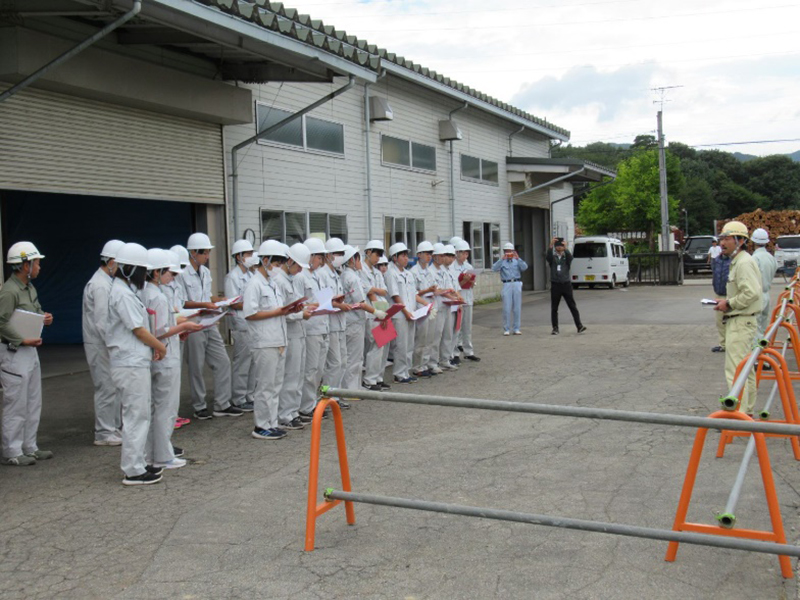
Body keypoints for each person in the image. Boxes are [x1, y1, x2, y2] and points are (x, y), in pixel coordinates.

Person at [107, 243, 167, 485]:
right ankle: (133, 469)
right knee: (136, 416)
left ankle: (138, 463)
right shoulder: (121, 293)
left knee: (139, 414)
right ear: (130, 269)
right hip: (129, 364)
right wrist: (159, 346)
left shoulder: (126, 291)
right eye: (142, 269)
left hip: (133, 361)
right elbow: (139, 330)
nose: (145, 275)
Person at [143, 249, 203, 470]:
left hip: (158, 354)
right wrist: (184, 326)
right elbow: (159, 330)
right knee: (166, 409)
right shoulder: (157, 295)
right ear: (157, 272)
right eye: (170, 272)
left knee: (156, 408)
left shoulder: (147, 292)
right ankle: (162, 454)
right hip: (165, 355)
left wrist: (178, 328)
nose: (173, 277)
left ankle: (154, 452)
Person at [0, 242, 54, 467]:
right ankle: (11, 450)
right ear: (25, 265)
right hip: (14, 352)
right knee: (16, 403)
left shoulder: (29, 287)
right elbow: (1, 321)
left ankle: (29, 446)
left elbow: (33, 310)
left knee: (32, 401)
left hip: (29, 350)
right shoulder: (9, 291)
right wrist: (21, 339)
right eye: (37, 263)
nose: (39, 267)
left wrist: (44, 317)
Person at [179, 233, 241, 420]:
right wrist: (205, 305)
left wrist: (220, 301)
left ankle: (223, 404)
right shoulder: (181, 273)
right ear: (193, 253)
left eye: (207, 252)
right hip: (192, 322)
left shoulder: (205, 272)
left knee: (222, 361)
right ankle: (199, 405)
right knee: (196, 366)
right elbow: (182, 302)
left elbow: (207, 296)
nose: (207, 256)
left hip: (209, 321)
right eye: (204, 253)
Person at [244, 241, 299, 440]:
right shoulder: (254, 283)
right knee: (265, 385)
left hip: (278, 339)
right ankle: (261, 425)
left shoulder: (272, 283)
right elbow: (250, 313)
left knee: (276, 384)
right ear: (265, 260)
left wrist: (288, 310)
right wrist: (278, 311)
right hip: (264, 341)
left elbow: (278, 311)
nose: (278, 268)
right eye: (276, 263)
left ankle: (272, 423)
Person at [713, 221, 762, 416]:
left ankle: (737, 415)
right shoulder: (739, 261)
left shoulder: (744, 262)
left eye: (727, 238)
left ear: (740, 241)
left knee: (735, 370)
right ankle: (745, 411)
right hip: (741, 320)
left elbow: (751, 293)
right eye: (721, 238)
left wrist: (729, 304)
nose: (722, 242)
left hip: (741, 321)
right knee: (745, 369)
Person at [83, 239, 125, 446]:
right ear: (110, 261)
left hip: (106, 343)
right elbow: (101, 321)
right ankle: (103, 432)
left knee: (114, 386)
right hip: (100, 344)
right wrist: (115, 343)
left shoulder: (108, 281)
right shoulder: (100, 285)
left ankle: (114, 427)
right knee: (106, 387)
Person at [274, 243, 313, 430]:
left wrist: (306, 308)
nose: (299, 271)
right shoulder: (279, 281)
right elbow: (282, 311)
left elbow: (294, 304)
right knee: (290, 374)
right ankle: (285, 414)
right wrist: (300, 314)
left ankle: (293, 411)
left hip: (299, 331)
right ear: (289, 261)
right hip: (289, 333)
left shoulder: (289, 279)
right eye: (298, 266)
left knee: (298, 374)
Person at [298, 237, 330, 420]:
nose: (321, 260)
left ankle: (313, 402)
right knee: (309, 370)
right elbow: (300, 303)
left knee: (318, 369)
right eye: (319, 256)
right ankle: (306, 406)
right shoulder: (301, 276)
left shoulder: (317, 275)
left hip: (322, 325)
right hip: (310, 328)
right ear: (310, 256)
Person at [225, 239, 256, 412]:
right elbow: (233, 302)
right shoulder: (232, 277)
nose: (251, 257)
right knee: (242, 362)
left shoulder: (251, 275)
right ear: (239, 257)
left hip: (252, 322)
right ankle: (238, 397)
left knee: (252, 362)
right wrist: (251, 304)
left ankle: (249, 395)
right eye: (248, 254)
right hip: (241, 323)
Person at [320, 238, 350, 406]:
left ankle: (336, 395)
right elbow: (324, 301)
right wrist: (338, 304)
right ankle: (328, 397)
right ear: (329, 255)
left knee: (342, 361)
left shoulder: (336, 273)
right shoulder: (323, 274)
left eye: (342, 254)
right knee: (334, 363)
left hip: (340, 322)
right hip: (330, 323)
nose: (340, 257)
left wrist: (340, 303)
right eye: (337, 254)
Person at [385, 242, 420, 384]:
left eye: (407, 256)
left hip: (410, 313)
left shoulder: (408, 274)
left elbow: (413, 294)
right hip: (399, 315)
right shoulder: (390, 273)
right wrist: (405, 311)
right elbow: (395, 295)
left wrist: (415, 310)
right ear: (395, 258)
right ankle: (399, 373)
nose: (406, 258)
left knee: (410, 344)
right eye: (403, 256)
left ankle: (406, 371)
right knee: (401, 345)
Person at [360, 241, 389, 392]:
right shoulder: (362, 270)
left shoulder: (377, 272)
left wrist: (375, 290)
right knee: (376, 345)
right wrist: (378, 309)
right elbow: (369, 292)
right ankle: (369, 380)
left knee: (382, 345)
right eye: (376, 254)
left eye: (380, 255)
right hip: (373, 310)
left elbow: (384, 291)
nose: (378, 258)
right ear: (369, 252)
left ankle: (378, 377)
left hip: (381, 308)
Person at [546, 237, 586, 335]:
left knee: (572, 306)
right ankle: (555, 328)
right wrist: (551, 245)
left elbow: (570, 257)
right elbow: (548, 257)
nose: (559, 248)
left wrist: (566, 247)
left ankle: (579, 325)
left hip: (566, 284)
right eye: (558, 246)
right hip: (555, 284)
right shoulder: (553, 258)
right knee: (554, 307)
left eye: (561, 246)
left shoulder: (566, 257)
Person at [410, 241, 437, 378]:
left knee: (429, 338)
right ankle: (417, 366)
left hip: (431, 304)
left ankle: (425, 364)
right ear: (419, 254)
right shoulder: (413, 272)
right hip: (421, 306)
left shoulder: (429, 271)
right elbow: (413, 293)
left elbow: (434, 288)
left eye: (430, 254)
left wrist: (433, 291)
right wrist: (427, 290)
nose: (429, 256)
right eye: (426, 253)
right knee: (421, 338)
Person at [492, 242, 528, 336]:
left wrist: (518, 258)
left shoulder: (517, 260)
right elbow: (493, 268)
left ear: (513, 251)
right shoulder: (502, 261)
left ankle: (516, 328)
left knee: (517, 307)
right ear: (504, 252)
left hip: (516, 282)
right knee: (506, 307)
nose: (508, 253)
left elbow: (525, 267)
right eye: (506, 251)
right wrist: (501, 260)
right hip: (506, 283)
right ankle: (506, 328)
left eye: (510, 251)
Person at [453, 239, 480, 361]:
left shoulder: (468, 266)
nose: (465, 256)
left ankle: (468, 351)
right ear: (457, 253)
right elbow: (455, 285)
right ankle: (455, 353)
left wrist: (471, 281)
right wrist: (464, 280)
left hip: (468, 298)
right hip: (458, 300)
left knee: (467, 327)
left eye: (466, 253)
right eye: (463, 253)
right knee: (456, 327)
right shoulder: (452, 267)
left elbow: (473, 283)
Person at [750, 228, 778, 341]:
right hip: (767, 294)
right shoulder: (771, 258)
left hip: (757, 295)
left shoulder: (754, 258)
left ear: (753, 242)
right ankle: (765, 353)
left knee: (755, 328)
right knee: (763, 327)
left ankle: (757, 356)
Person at [709, 250, 731, 353]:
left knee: (730, 321)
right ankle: (723, 344)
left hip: (730, 294)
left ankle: (730, 343)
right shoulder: (717, 260)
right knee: (719, 321)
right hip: (719, 293)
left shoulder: (734, 260)